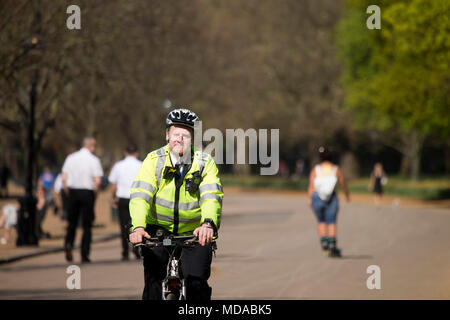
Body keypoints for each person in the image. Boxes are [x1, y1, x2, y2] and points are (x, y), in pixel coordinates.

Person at [128, 108, 223, 300]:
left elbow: (211, 195)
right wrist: (138, 226)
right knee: (153, 282)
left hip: (194, 232)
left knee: (196, 283)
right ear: (167, 135)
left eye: (186, 135)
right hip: (157, 231)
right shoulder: (154, 161)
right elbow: (140, 195)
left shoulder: (204, 162)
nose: (180, 139)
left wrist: (208, 224)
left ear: (193, 139)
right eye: (176, 134)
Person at [62, 137, 104, 263]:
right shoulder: (94, 160)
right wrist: (95, 194)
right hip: (87, 193)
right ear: (91, 146)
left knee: (72, 223)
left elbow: (64, 178)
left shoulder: (70, 157)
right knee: (87, 225)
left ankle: (68, 244)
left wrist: (67, 192)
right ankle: (84, 254)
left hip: (73, 191)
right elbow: (97, 180)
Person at [307, 147, 350, 258]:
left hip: (317, 197)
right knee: (331, 221)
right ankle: (332, 246)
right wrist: (347, 195)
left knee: (321, 221)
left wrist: (309, 199)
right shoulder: (335, 169)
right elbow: (342, 183)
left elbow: (311, 186)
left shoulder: (316, 170)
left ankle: (324, 244)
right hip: (331, 197)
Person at [108, 143, 142, 261]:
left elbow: (114, 185)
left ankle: (125, 251)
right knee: (137, 225)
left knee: (123, 226)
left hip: (122, 198)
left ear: (125, 153)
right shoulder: (141, 165)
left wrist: (113, 198)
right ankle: (137, 248)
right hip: (137, 199)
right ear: (136, 153)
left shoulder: (118, 166)